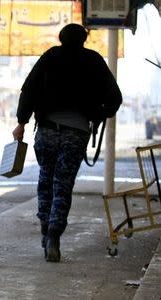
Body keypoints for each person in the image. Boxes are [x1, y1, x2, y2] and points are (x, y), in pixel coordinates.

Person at [12, 23, 122, 262]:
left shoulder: (51, 56)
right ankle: (54, 234)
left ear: (61, 38)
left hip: (47, 130)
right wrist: (98, 113)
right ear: (84, 39)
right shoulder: (93, 60)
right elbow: (115, 98)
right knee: (63, 185)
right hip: (77, 132)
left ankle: (45, 228)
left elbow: (28, 89)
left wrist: (21, 122)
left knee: (45, 181)